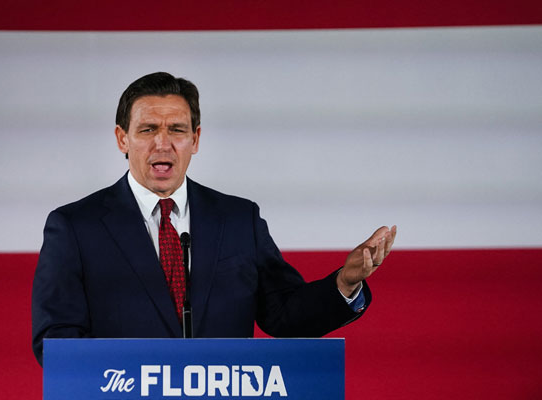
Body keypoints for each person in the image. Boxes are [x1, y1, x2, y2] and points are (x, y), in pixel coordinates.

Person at [31, 72, 396, 365]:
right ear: (122, 139)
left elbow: (284, 314)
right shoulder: (76, 227)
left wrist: (345, 283)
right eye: (147, 130)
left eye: (177, 129)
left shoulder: (239, 219)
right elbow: (55, 342)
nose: (163, 143)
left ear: (196, 139)